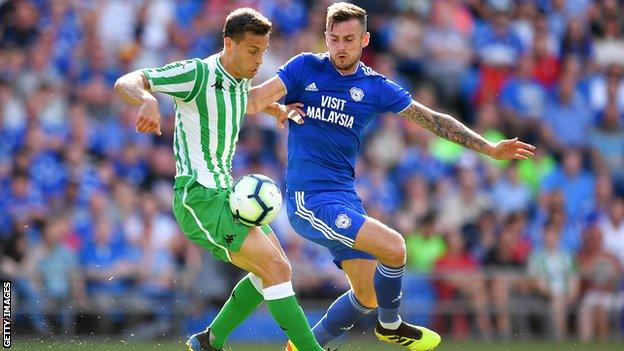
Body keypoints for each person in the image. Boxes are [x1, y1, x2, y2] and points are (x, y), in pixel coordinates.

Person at [248, 3, 536, 350]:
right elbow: (250, 100)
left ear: (365, 40)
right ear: (326, 36)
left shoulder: (374, 86)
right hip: (307, 199)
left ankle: (303, 347)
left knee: (366, 295)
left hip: (344, 197)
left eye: (349, 39)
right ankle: (390, 325)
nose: (340, 46)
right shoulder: (304, 67)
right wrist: (276, 108)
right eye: (334, 38)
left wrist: (488, 149)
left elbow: (433, 120)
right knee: (395, 247)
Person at [114, 8, 324, 351]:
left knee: (272, 269)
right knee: (274, 268)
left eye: (264, 52)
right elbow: (127, 82)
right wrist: (148, 99)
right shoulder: (197, 74)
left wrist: (279, 110)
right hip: (198, 197)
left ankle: (209, 341)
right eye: (253, 51)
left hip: (227, 194)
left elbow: (248, 102)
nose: (259, 60)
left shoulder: (240, 80)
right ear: (229, 43)